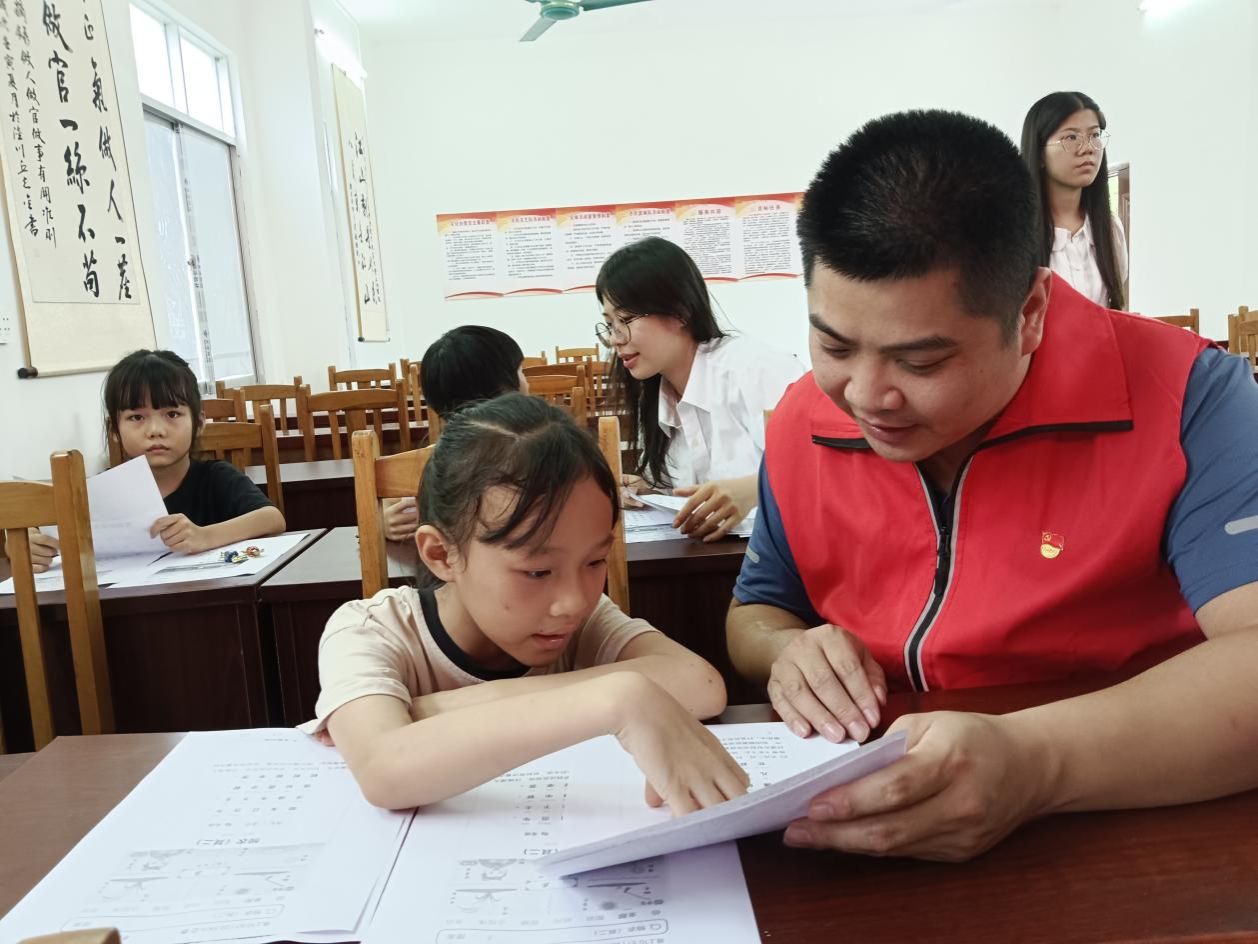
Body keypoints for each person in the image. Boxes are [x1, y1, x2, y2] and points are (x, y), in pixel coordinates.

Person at [726, 109, 1258, 861]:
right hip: (876, 822)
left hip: (1134, 821)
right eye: (834, 346)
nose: (865, 397)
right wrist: (786, 649)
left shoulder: (1189, 397)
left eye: (920, 362)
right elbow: (756, 609)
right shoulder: (803, 421)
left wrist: (1036, 763)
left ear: (1030, 312)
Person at [304, 393, 748, 811]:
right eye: (537, 572)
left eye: (595, 561)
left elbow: (700, 684)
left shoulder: (585, 621)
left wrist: (442, 708)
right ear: (441, 554)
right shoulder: (371, 630)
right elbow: (385, 770)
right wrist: (616, 697)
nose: (574, 601)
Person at [597, 237, 804, 541]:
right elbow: (691, 489)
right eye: (609, 324)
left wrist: (753, 490)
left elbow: (824, 470)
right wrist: (652, 491)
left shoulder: (755, 370)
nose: (615, 339)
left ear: (680, 312)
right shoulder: (660, 394)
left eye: (625, 320)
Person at [25, 350, 286, 571]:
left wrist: (204, 536)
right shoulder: (101, 493)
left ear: (198, 424)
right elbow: (48, 535)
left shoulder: (216, 477)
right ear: (115, 430)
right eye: (137, 417)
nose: (155, 430)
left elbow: (272, 519)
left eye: (172, 414)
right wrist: (31, 546)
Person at [383, 326, 529, 541]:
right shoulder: (541, 447)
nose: (527, 382)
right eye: (521, 371)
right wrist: (384, 522)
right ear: (504, 387)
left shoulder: (428, 461)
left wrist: (381, 523)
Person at [1021, 90, 1127, 309]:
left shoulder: (1110, 230)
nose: (1088, 148)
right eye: (1071, 137)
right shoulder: (1015, 232)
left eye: (1095, 135)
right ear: (1039, 153)